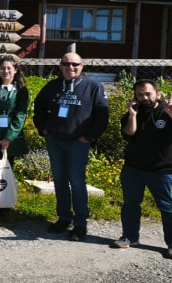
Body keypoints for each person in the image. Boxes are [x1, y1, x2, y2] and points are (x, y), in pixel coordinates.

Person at [111, 80, 172, 259]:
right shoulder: (134, 112)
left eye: (148, 93)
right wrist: (132, 115)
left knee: (167, 207)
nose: (144, 97)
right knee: (131, 204)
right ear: (135, 96)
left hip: (160, 171)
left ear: (157, 93)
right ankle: (130, 237)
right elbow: (128, 135)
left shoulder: (168, 110)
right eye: (140, 94)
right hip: (133, 169)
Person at [33, 52, 108, 241]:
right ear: (60, 66)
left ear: (82, 66)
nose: (70, 67)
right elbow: (39, 107)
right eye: (66, 64)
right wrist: (43, 128)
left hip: (78, 143)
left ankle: (80, 222)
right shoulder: (53, 86)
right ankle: (64, 217)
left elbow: (102, 114)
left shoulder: (93, 86)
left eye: (75, 64)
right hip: (55, 141)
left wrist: (89, 137)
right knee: (59, 180)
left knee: (76, 182)